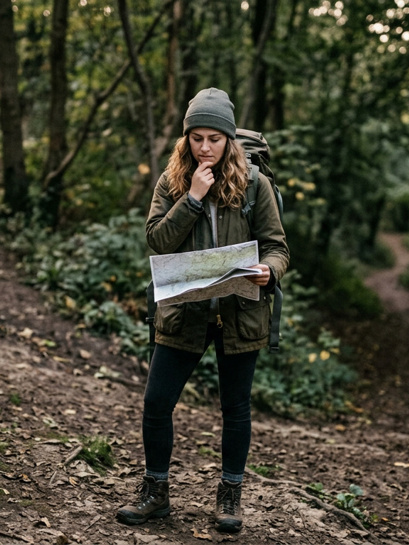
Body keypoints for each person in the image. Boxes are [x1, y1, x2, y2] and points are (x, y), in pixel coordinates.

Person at [116, 88, 289, 534]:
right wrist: (191, 198)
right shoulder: (172, 182)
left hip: (239, 314)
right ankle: (156, 493)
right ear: (186, 139)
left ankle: (229, 496)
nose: (206, 147)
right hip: (183, 314)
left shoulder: (255, 185)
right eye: (197, 138)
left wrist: (269, 271)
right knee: (156, 403)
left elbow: (277, 247)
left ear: (229, 140)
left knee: (235, 408)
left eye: (215, 138)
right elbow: (157, 240)